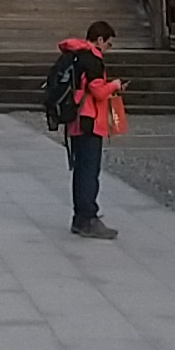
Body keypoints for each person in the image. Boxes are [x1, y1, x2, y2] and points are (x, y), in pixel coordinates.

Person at [55, 20, 125, 239]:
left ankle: (80, 217)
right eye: (109, 44)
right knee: (89, 171)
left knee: (80, 170)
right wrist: (115, 85)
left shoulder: (73, 55)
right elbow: (98, 92)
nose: (107, 49)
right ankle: (88, 217)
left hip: (74, 119)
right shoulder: (92, 59)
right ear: (101, 40)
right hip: (89, 120)